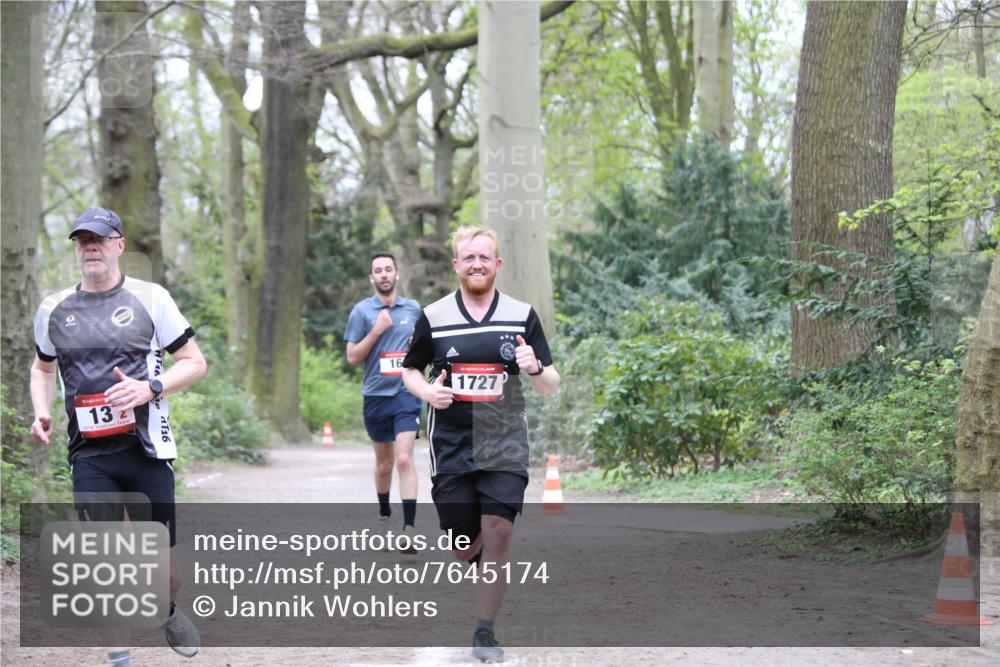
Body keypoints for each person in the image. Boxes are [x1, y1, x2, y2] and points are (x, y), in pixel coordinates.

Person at [29, 208, 208, 667]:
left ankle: (168, 609)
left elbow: (194, 361)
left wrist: (149, 387)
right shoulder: (53, 308)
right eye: (82, 239)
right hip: (90, 455)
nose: (90, 245)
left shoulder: (151, 298)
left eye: (99, 238)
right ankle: (119, 659)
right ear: (76, 249)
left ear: (118, 245)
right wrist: (41, 412)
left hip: (147, 450)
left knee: (165, 572)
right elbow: (42, 368)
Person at [402, 226, 559, 663]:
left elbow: (550, 383)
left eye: (484, 257)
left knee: (500, 531)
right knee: (463, 544)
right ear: (456, 264)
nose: (476, 264)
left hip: (503, 437)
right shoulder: (433, 317)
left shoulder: (521, 314)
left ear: (497, 264)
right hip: (451, 440)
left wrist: (533, 367)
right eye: (468, 257)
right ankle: (485, 565)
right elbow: (410, 371)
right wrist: (428, 394)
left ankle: (484, 632)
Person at [345, 252, 424, 550]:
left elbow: (426, 345)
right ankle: (384, 512)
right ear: (371, 278)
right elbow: (352, 357)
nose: (384, 275)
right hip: (376, 396)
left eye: (388, 269)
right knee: (384, 464)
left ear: (397, 274)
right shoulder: (362, 312)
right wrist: (376, 330)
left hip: (406, 393)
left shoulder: (414, 309)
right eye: (378, 270)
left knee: (404, 459)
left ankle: (410, 528)